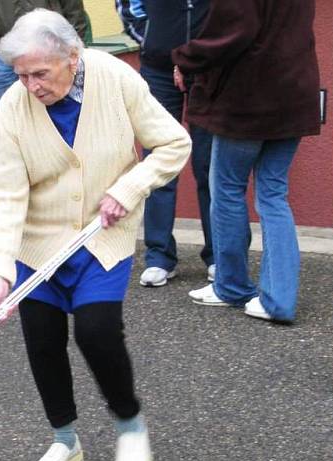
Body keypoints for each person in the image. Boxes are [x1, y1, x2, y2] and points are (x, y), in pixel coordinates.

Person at [0, 9, 191, 461]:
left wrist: (129, 190)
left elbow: (173, 144)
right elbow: (8, 196)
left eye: (40, 74)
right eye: (21, 76)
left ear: (72, 58)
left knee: (96, 331)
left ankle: (131, 427)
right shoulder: (12, 107)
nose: (31, 86)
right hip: (38, 242)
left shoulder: (116, 78)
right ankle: (64, 441)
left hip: (102, 233)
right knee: (43, 340)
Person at [172, 0, 320, 322]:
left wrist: (184, 60)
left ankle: (232, 286)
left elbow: (230, 32)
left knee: (226, 190)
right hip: (294, 93)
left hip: (248, 100)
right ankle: (278, 299)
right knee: (273, 196)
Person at [0, 0, 87, 249]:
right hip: (0, 54)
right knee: (1, 136)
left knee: (59, 132)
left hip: (50, 54)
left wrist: (79, 57)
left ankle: (59, 218)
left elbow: (74, 11)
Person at [116, 0, 217, 287]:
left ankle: (219, 257)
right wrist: (152, 38)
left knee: (209, 165)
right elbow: (128, 5)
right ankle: (159, 256)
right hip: (159, 68)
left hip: (209, 68)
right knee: (159, 163)